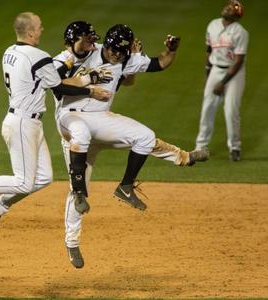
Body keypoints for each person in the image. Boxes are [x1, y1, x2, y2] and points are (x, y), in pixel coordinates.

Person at [53, 22, 208, 268]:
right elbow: (56, 84)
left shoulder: (125, 60)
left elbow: (160, 63)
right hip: (72, 120)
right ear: (107, 43)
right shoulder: (83, 54)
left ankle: (127, 186)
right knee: (78, 185)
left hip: (101, 121)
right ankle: (72, 242)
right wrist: (89, 84)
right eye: (114, 49)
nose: (116, 54)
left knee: (145, 137)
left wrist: (171, 50)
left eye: (121, 52)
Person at [0, 12, 110, 239]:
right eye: (40, 26)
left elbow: (48, 76)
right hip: (22, 122)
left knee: (43, 178)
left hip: (29, 122)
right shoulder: (38, 56)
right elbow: (59, 87)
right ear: (31, 31)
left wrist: (71, 61)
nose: (42, 30)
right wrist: (90, 88)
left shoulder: (9, 52)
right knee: (23, 182)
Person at [195, 0, 248, 161]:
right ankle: (200, 146)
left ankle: (235, 147)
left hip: (234, 73)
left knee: (231, 110)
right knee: (207, 108)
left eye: (232, 8)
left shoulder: (241, 32)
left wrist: (222, 82)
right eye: (227, 6)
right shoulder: (213, 25)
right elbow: (209, 50)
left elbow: (238, 61)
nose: (227, 8)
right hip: (215, 70)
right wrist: (207, 75)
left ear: (236, 16)